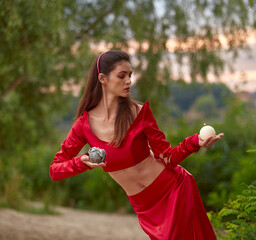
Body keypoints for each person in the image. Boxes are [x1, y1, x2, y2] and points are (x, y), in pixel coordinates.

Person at [50, 50, 224, 240]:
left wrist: (195, 142)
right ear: (102, 78)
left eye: (130, 76)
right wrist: (81, 163)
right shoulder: (83, 126)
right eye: (122, 76)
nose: (129, 81)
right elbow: (55, 170)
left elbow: (168, 157)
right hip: (145, 207)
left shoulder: (139, 113)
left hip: (174, 190)